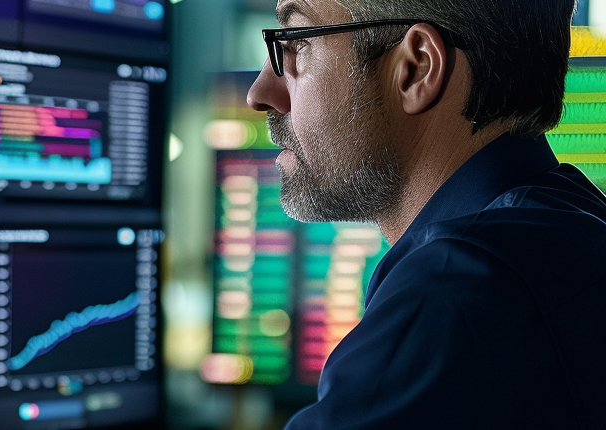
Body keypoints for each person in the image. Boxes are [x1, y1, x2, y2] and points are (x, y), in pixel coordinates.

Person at [246, 0, 606, 428]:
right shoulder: (575, 226)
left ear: (416, 68)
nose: (259, 93)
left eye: (297, 44)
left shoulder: (454, 297)